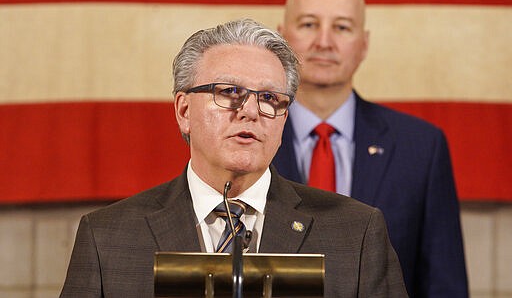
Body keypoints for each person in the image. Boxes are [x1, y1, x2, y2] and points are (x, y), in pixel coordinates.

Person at [60, 18, 407, 297]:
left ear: (284, 117)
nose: (251, 112)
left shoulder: (355, 233)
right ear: (184, 110)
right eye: (229, 92)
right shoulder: (108, 237)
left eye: (270, 97)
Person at [273, 0, 468, 297]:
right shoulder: (244, 137)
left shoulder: (421, 147)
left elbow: (443, 284)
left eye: (342, 27)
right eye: (308, 24)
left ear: (364, 44)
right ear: (281, 38)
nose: (324, 41)